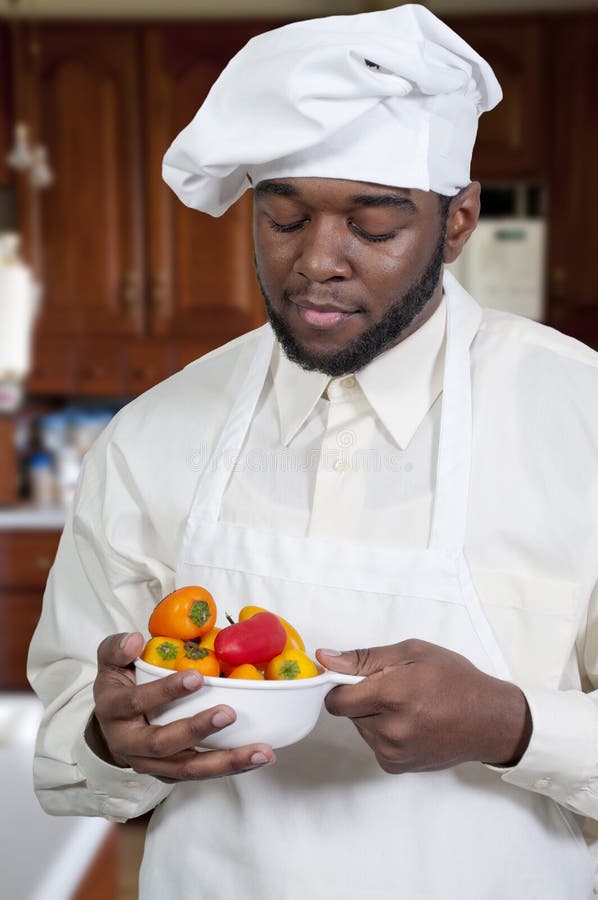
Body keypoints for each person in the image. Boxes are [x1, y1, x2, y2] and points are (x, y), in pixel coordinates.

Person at [28, 5, 598, 898]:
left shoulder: (581, 416)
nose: (317, 263)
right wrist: (107, 737)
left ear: (458, 222)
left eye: (373, 227)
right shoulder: (153, 434)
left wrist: (514, 725)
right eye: (285, 218)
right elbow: (67, 723)